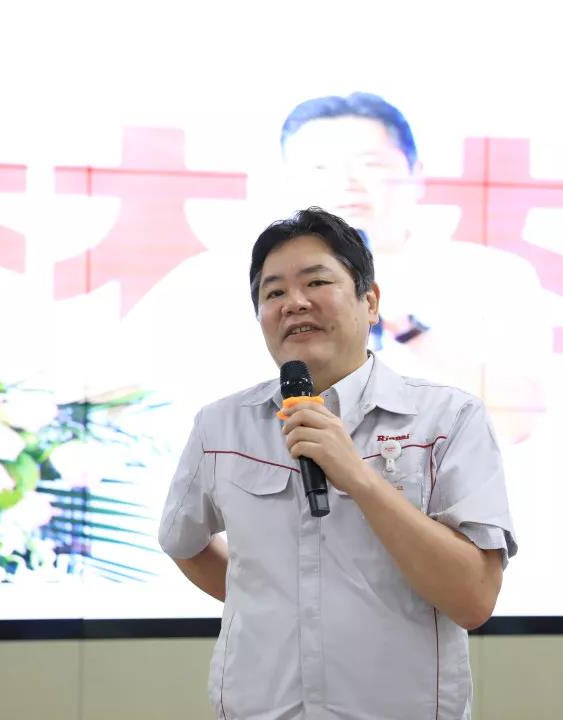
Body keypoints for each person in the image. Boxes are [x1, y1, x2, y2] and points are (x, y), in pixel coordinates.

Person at [159, 208, 516, 719]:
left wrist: (358, 477)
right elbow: (183, 542)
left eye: (316, 282)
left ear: (370, 302)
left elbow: (474, 598)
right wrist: (286, 605)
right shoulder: (221, 426)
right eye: (273, 292)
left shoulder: (448, 418)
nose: (294, 303)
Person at [280, 92, 551, 445]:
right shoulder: (240, 281)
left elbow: (515, 423)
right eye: (320, 168)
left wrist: (410, 331)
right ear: (288, 181)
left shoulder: (493, 276)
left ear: (416, 174)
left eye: (371, 164)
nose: (346, 181)